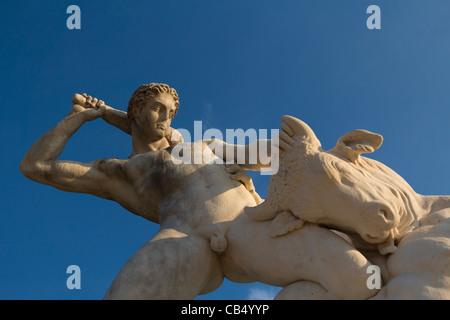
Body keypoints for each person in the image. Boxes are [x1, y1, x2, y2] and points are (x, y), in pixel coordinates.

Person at [20, 83, 378, 299]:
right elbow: (34, 167)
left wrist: (308, 153)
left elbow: (265, 153)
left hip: (252, 224)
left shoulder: (203, 145)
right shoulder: (121, 171)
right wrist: (79, 118)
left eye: (172, 112)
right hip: (184, 240)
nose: (166, 117)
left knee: (361, 278)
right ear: (136, 113)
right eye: (157, 109)